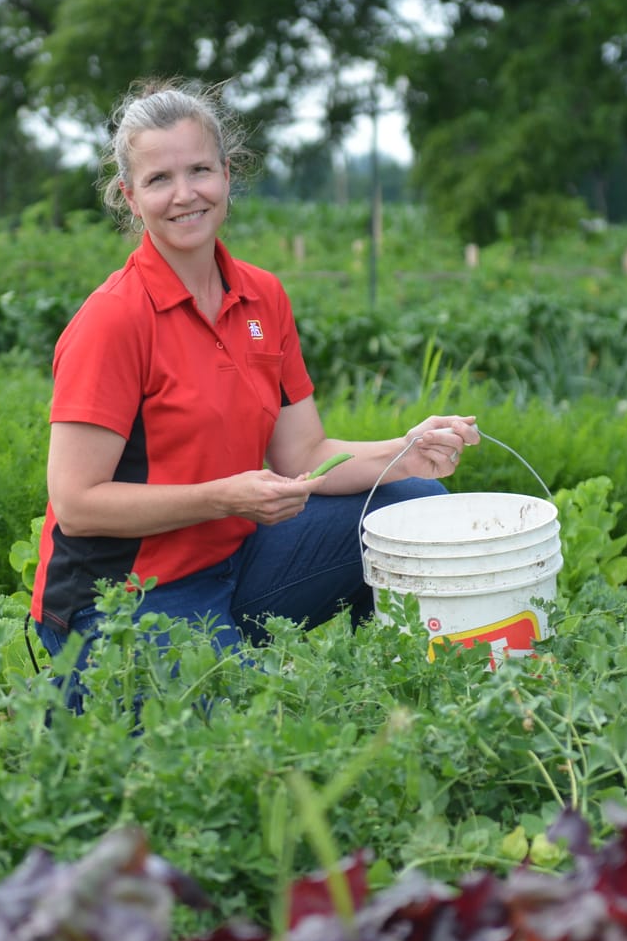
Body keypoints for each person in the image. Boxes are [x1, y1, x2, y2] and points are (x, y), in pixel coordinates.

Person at [29, 78, 481, 697]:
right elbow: (78, 506)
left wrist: (405, 449)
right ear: (130, 198)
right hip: (121, 598)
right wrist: (224, 498)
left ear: (228, 175)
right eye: (159, 180)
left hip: (233, 560)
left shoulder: (262, 295)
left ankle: (409, 692)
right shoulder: (114, 319)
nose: (184, 195)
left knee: (412, 499)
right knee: (226, 745)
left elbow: (302, 456)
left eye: (200, 171)